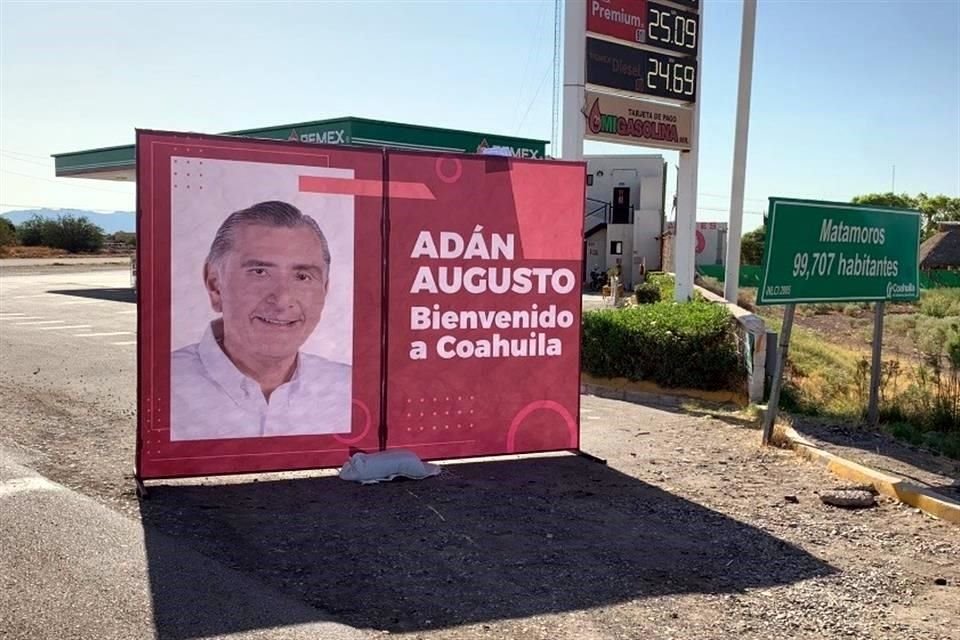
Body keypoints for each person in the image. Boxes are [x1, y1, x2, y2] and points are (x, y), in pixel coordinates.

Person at [170, 200, 351, 441]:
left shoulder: (348, 387)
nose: (283, 299)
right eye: (259, 272)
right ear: (215, 285)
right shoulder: (168, 385)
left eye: (302, 276)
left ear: (324, 290)